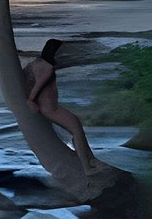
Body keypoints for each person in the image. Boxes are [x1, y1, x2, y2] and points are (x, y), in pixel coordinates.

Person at [24, 39, 98, 174]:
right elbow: (38, 87)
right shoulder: (48, 69)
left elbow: (27, 77)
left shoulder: (35, 63)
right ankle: (87, 167)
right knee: (77, 130)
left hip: (49, 107)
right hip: (51, 109)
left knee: (77, 125)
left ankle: (91, 159)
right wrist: (31, 101)